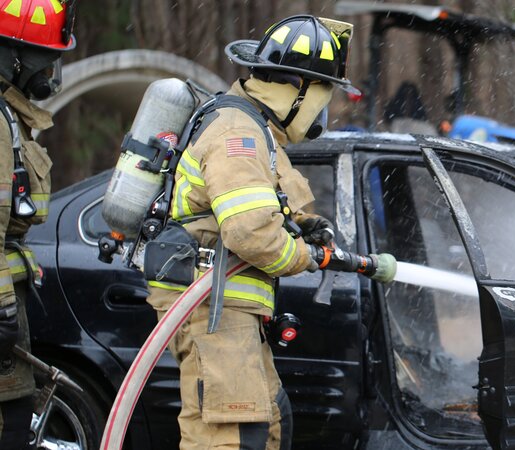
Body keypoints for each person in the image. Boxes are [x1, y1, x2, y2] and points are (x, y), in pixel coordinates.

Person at [145, 15, 356, 450]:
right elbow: (251, 234)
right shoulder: (237, 132)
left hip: (229, 306)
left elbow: (265, 204)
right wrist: (308, 257)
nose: (322, 111)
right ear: (298, 86)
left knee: (269, 425)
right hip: (213, 306)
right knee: (229, 438)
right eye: (322, 95)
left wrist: (306, 226)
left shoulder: (254, 128)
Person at [0, 1, 77, 448]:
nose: (50, 73)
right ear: (12, 58)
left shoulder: (12, 118)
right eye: (45, 60)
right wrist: (2, 308)